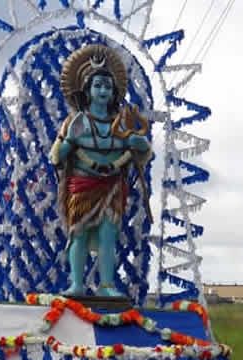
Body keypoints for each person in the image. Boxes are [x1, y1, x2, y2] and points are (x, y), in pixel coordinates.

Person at [50, 43, 152, 297]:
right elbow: (56, 157)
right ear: (87, 89)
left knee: (109, 235)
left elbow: (143, 153)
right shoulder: (77, 122)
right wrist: (68, 143)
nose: (103, 90)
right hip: (82, 184)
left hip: (112, 185)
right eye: (97, 85)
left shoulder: (123, 121)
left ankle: (107, 285)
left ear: (114, 90)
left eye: (107, 86)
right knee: (79, 233)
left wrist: (138, 144)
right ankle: (77, 284)